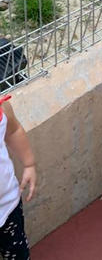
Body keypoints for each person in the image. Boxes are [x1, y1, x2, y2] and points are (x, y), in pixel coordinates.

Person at [0, 95, 36, 260]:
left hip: (7, 206)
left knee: (17, 253)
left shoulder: (1, 110)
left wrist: (29, 164)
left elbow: (13, 130)